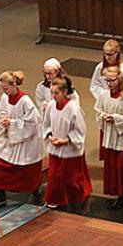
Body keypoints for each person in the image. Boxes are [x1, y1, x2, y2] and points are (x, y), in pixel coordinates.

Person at [0, 71, 43, 207]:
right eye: (2, 89)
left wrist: (12, 123)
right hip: (9, 136)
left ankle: (36, 193)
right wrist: (4, 121)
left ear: (14, 85)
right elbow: (2, 113)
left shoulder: (25, 101)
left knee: (27, 172)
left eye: (6, 88)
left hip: (25, 140)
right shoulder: (4, 97)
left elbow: (33, 122)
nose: (5, 92)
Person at [43, 77, 92, 209]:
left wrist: (66, 140)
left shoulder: (73, 108)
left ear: (65, 92)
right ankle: (55, 198)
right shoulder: (51, 106)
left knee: (71, 179)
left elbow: (80, 130)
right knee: (54, 176)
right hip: (55, 147)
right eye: (52, 93)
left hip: (70, 149)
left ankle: (79, 197)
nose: (53, 96)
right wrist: (50, 136)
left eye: (56, 93)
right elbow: (46, 123)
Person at [95, 67, 123, 208]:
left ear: (119, 79)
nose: (109, 83)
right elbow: (98, 110)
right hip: (111, 136)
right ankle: (120, 194)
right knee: (114, 166)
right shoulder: (104, 95)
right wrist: (103, 116)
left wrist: (114, 118)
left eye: (112, 80)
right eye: (107, 80)